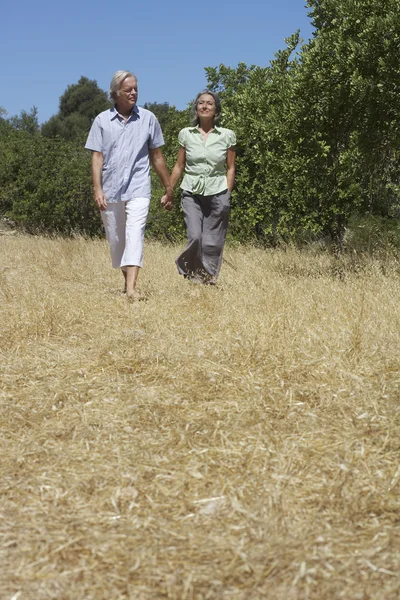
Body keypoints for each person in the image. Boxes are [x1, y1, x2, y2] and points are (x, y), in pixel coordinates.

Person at [85, 70, 173, 301]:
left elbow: (157, 155)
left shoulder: (148, 118)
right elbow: (97, 157)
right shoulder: (101, 121)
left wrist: (168, 187)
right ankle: (127, 284)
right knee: (117, 241)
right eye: (128, 90)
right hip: (110, 189)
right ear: (115, 93)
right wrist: (97, 189)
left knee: (135, 234)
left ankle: (132, 289)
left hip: (139, 187)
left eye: (135, 89)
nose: (134, 93)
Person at [165, 90, 236, 284]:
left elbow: (230, 168)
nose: (205, 106)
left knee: (212, 241)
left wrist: (227, 193)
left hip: (218, 191)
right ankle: (190, 271)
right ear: (196, 109)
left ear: (216, 110)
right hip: (191, 191)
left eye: (209, 104)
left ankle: (207, 280)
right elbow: (179, 165)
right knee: (195, 236)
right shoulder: (186, 134)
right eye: (201, 103)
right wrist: (169, 191)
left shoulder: (227, 135)